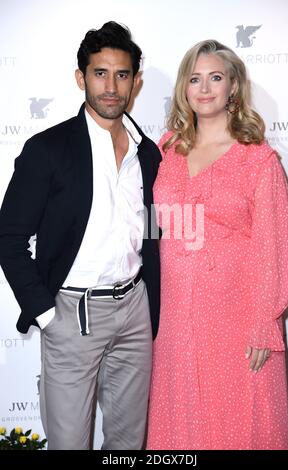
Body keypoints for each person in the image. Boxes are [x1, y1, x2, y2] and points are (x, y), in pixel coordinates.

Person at [0, 21, 161, 450]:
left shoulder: (148, 152)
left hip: (134, 310)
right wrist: (47, 315)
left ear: (136, 82)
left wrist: (154, 307)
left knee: (128, 443)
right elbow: (9, 239)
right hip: (72, 312)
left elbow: (152, 232)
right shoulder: (47, 149)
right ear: (81, 77)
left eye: (122, 74)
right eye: (100, 73)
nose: (111, 86)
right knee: (69, 443)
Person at [147, 39, 288, 450]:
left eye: (215, 77)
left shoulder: (258, 160)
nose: (205, 88)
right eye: (195, 79)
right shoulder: (167, 151)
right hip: (174, 322)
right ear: (184, 88)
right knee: (180, 431)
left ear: (233, 86)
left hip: (239, 320)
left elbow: (275, 250)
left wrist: (266, 323)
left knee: (240, 426)